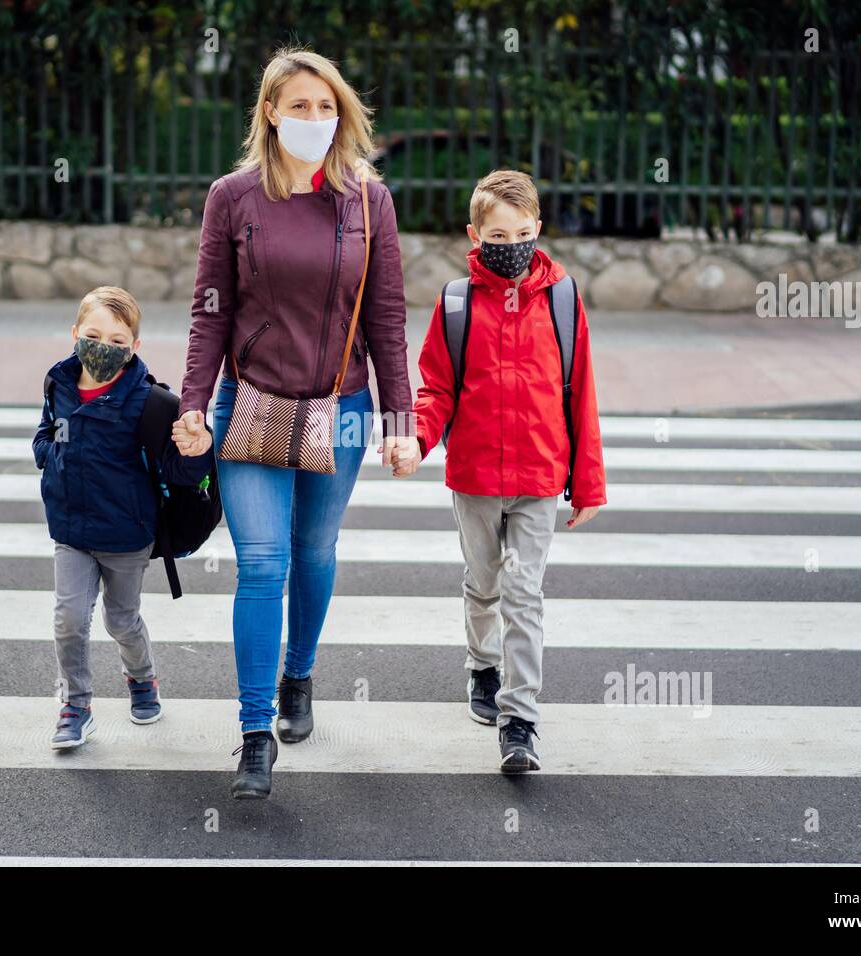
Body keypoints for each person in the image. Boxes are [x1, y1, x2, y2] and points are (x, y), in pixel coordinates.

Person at [173, 47, 417, 799]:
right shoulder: (233, 197)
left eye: (326, 106)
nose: (314, 118)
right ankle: (253, 734)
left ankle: (298, 675)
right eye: (299, 105)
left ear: (341, 114)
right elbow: (209, 307)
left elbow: (386, 318)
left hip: (340, 409)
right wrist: (191, 404)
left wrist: (398, 419)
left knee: (314, 549)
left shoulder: (367, 201)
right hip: (247, 405)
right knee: (263, 565)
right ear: (270, 112)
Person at [406, 170, 607, 773]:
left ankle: (519, 721)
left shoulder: (564, 300)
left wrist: (589, 483)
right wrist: (417, 439)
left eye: (523, 232)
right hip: (474, 477)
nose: (512, 243)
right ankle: (482, 667)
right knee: (484, 584)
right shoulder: (456, 303)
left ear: (538, 228)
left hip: (541, 476)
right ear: (475, 234)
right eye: (498, 233)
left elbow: (581, 396)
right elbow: (437, 388)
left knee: (525, 593)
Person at [34, 286, 213, 750]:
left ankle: (142, 679)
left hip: (127, 536)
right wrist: (47, 454)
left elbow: (177, 468)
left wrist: (199, 449)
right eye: (93, 335)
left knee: (121, 620)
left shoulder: (147, 402)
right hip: (71, 530)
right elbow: (46, 431)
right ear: (75, 335)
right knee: (68, 619)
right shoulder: (60, 383)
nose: (104, 347)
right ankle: (76, 706)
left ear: (134, 347)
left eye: (118, 340)